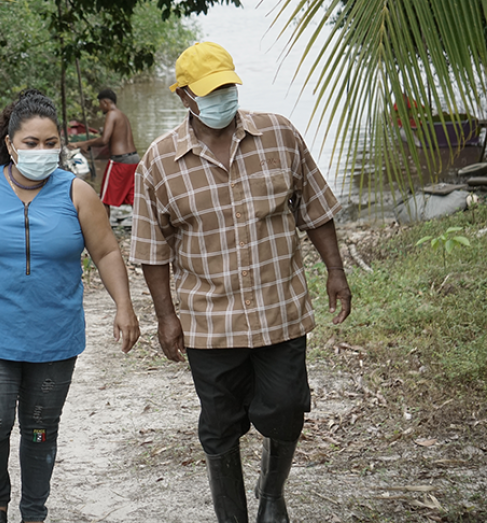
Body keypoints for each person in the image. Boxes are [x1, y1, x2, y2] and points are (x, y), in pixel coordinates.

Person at [130, 42, 352, 523]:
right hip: (210, 319)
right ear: (186, 96)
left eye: (228, 86)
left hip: (280, 307)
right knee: (221, 425)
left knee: (288, 408)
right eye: (211, 92)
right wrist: (166, 318)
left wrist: (335, 270)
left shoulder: (279, 134)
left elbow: (315, 209)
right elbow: (151, 249)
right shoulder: (159, 162)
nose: (223, 98)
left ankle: (272, 494)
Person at [0, 88, 140, 523]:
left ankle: (34, 512)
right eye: (31, 143)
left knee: (41, 430)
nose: (42, 152)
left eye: (50, 143)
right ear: (10, 144)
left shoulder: (77, 193)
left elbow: (106, 253)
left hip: (54, 335)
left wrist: (124, 306)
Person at [68, 88, 139, 218]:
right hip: (134, 159)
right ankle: (142, 228)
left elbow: (104, 140)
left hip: (119, 161)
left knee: (105, 199)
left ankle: (104, 232)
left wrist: (82, 144)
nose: (100, 107)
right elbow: (116, 136)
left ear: (106, 102)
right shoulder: (122, 115)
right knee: (134, 198)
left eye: (100, 103)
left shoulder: (111, 114)